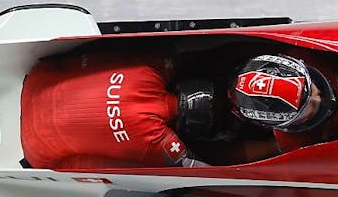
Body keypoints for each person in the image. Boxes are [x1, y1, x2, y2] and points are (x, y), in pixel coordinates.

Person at [20, 48, 213, 169]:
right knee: (113, 162)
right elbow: (191, 166)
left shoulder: (151, 70)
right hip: (36, 152)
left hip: (37, 80)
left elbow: (180, 52)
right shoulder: (157, 139)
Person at [229, 54, 337, 141]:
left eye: (313, 91)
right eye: (312, 107)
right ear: (296, 122)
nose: (319, 99)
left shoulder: (314, 54)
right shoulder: (294, 146)